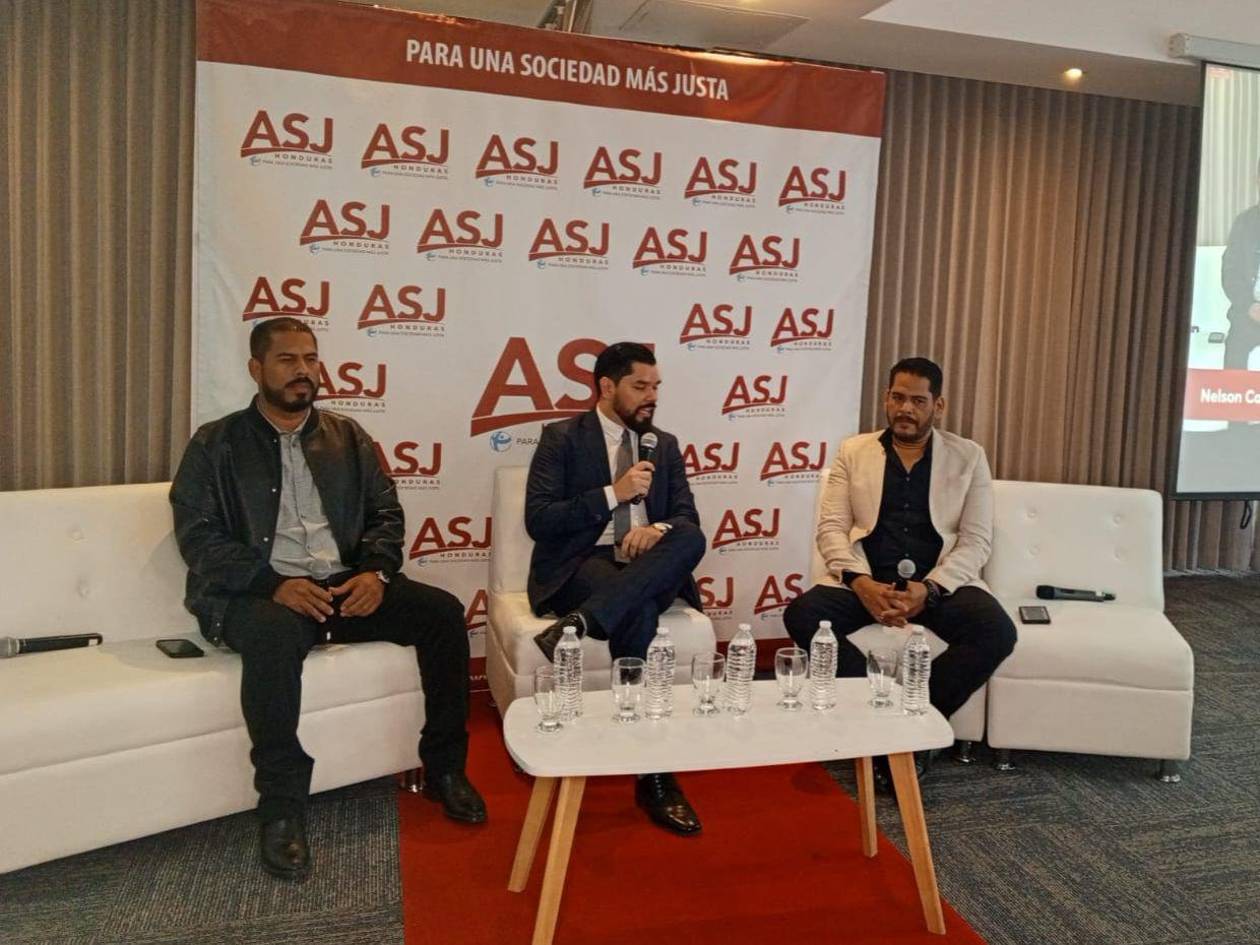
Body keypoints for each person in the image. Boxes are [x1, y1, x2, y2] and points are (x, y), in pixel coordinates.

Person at [170, 317, 485, 882]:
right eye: (288, 359)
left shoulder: (347, 436)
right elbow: (198, 536)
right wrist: (271, 583)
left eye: (311, 359)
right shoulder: (216, 443)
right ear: (256, 369)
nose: (304, 371)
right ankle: (282, 807)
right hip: (264, 593)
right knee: (270, 638)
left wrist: (376, 573)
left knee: (440, 614)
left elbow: (386, 514)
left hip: (345, 584)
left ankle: (445, 769)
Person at [783, 357, 1016, 791]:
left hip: (938, 586)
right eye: (898, 397)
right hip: (868, 582)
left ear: (938, 405)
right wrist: (861, 584)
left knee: (997, 631)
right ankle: (876, 713)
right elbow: (831, 529)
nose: (906, 409)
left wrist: (930, 589)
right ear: (886, 398)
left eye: (918, 401)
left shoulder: (968, 457)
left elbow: (975, 541)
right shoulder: (854, 451)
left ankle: (917, 724)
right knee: (802, 614)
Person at [525, 341, 707, 835]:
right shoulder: (562, 438)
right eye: (640, 387)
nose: (652, 397)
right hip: (586, 561)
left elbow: (686, 514)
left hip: (651, 559)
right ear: (607, 387)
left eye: (656, 387)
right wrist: (614, 494)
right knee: (638, 610)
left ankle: (585, 620)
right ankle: (654, 773)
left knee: (690, 536)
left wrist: (657, 530)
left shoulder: (663, 444)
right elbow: (539, 520)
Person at [1221, 156, 1260, 371]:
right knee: (1235, 355)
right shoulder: (1244, 222)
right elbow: (1230, 273)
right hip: (1247, 314)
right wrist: (1248, 305)